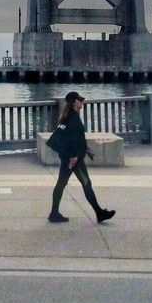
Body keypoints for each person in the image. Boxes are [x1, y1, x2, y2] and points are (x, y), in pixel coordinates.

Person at [48, 91, 116, 225]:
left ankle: (54, 213)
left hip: (70, 158)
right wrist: (73, 156)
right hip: (74, 161)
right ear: (74, 102)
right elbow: (69, 140)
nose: (82, 102)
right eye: (79, 100)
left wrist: (86, 150)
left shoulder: (69, 117)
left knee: (61, 184)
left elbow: (75, 139)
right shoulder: (72, 118)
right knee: (85, 184)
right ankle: (99, 213)